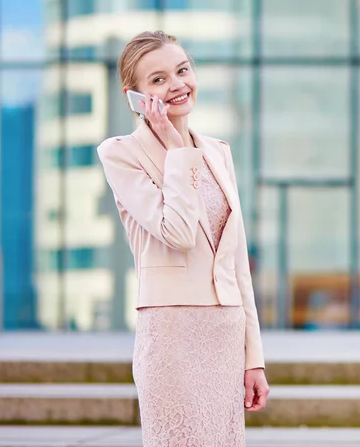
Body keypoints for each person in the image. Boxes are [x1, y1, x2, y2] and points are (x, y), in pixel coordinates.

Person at [97, 30, 269, 446]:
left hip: (225, 331)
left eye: (182, 70)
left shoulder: (218, 151)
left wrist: (254, 360)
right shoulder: (121, 153)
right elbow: (176, 232)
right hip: (172, 331)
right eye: (157, 79)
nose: (176, 84)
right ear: (135, 96)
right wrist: (176, 148)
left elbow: (235, 261)